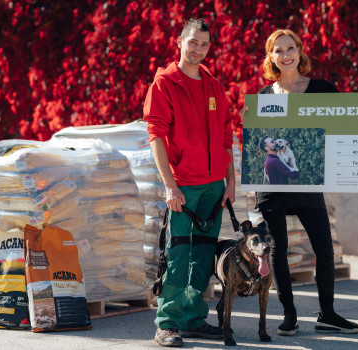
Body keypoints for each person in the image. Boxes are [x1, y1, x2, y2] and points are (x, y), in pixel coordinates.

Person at [242, 29, 358, 336]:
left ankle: (327, 314)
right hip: (272, 184)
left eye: (291, 48)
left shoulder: (321, 89)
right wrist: (246, 123)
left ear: (300, 52)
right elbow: (257, 142)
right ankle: (289, 316)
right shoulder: (262, 97)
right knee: (278, 250)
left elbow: (355, 120)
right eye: (279, 50)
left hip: (308, 181)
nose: (286, 54)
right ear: (270, 57)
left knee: (324, 250)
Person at [143, 18, 235, 347]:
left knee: (204, 257)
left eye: (204, 45)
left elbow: (227, 134)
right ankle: (167, 323)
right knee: (180, 255)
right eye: (192, 42)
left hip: (213, 187)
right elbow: (155, 136)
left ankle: (194, 319)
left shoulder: (214, 86)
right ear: (180, 41)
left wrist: (230, 182)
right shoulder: (165, 84)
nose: (197, 49)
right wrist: (170, 186)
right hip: (183, 186)